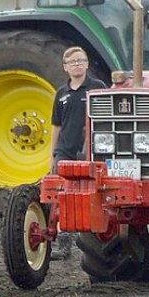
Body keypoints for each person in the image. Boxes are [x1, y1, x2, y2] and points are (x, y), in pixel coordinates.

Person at [47, 46, 108, 259]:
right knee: (62, 194)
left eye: (81, 61)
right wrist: (53, 154)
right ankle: (63, 243)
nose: (77, 65)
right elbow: (56, 125)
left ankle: (96, 238)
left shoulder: (97, 87)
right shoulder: (61, 94)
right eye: (72, 62)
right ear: (65, 67)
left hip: (89, 150)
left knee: (91, 191)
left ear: (87, 64)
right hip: (65, 149)